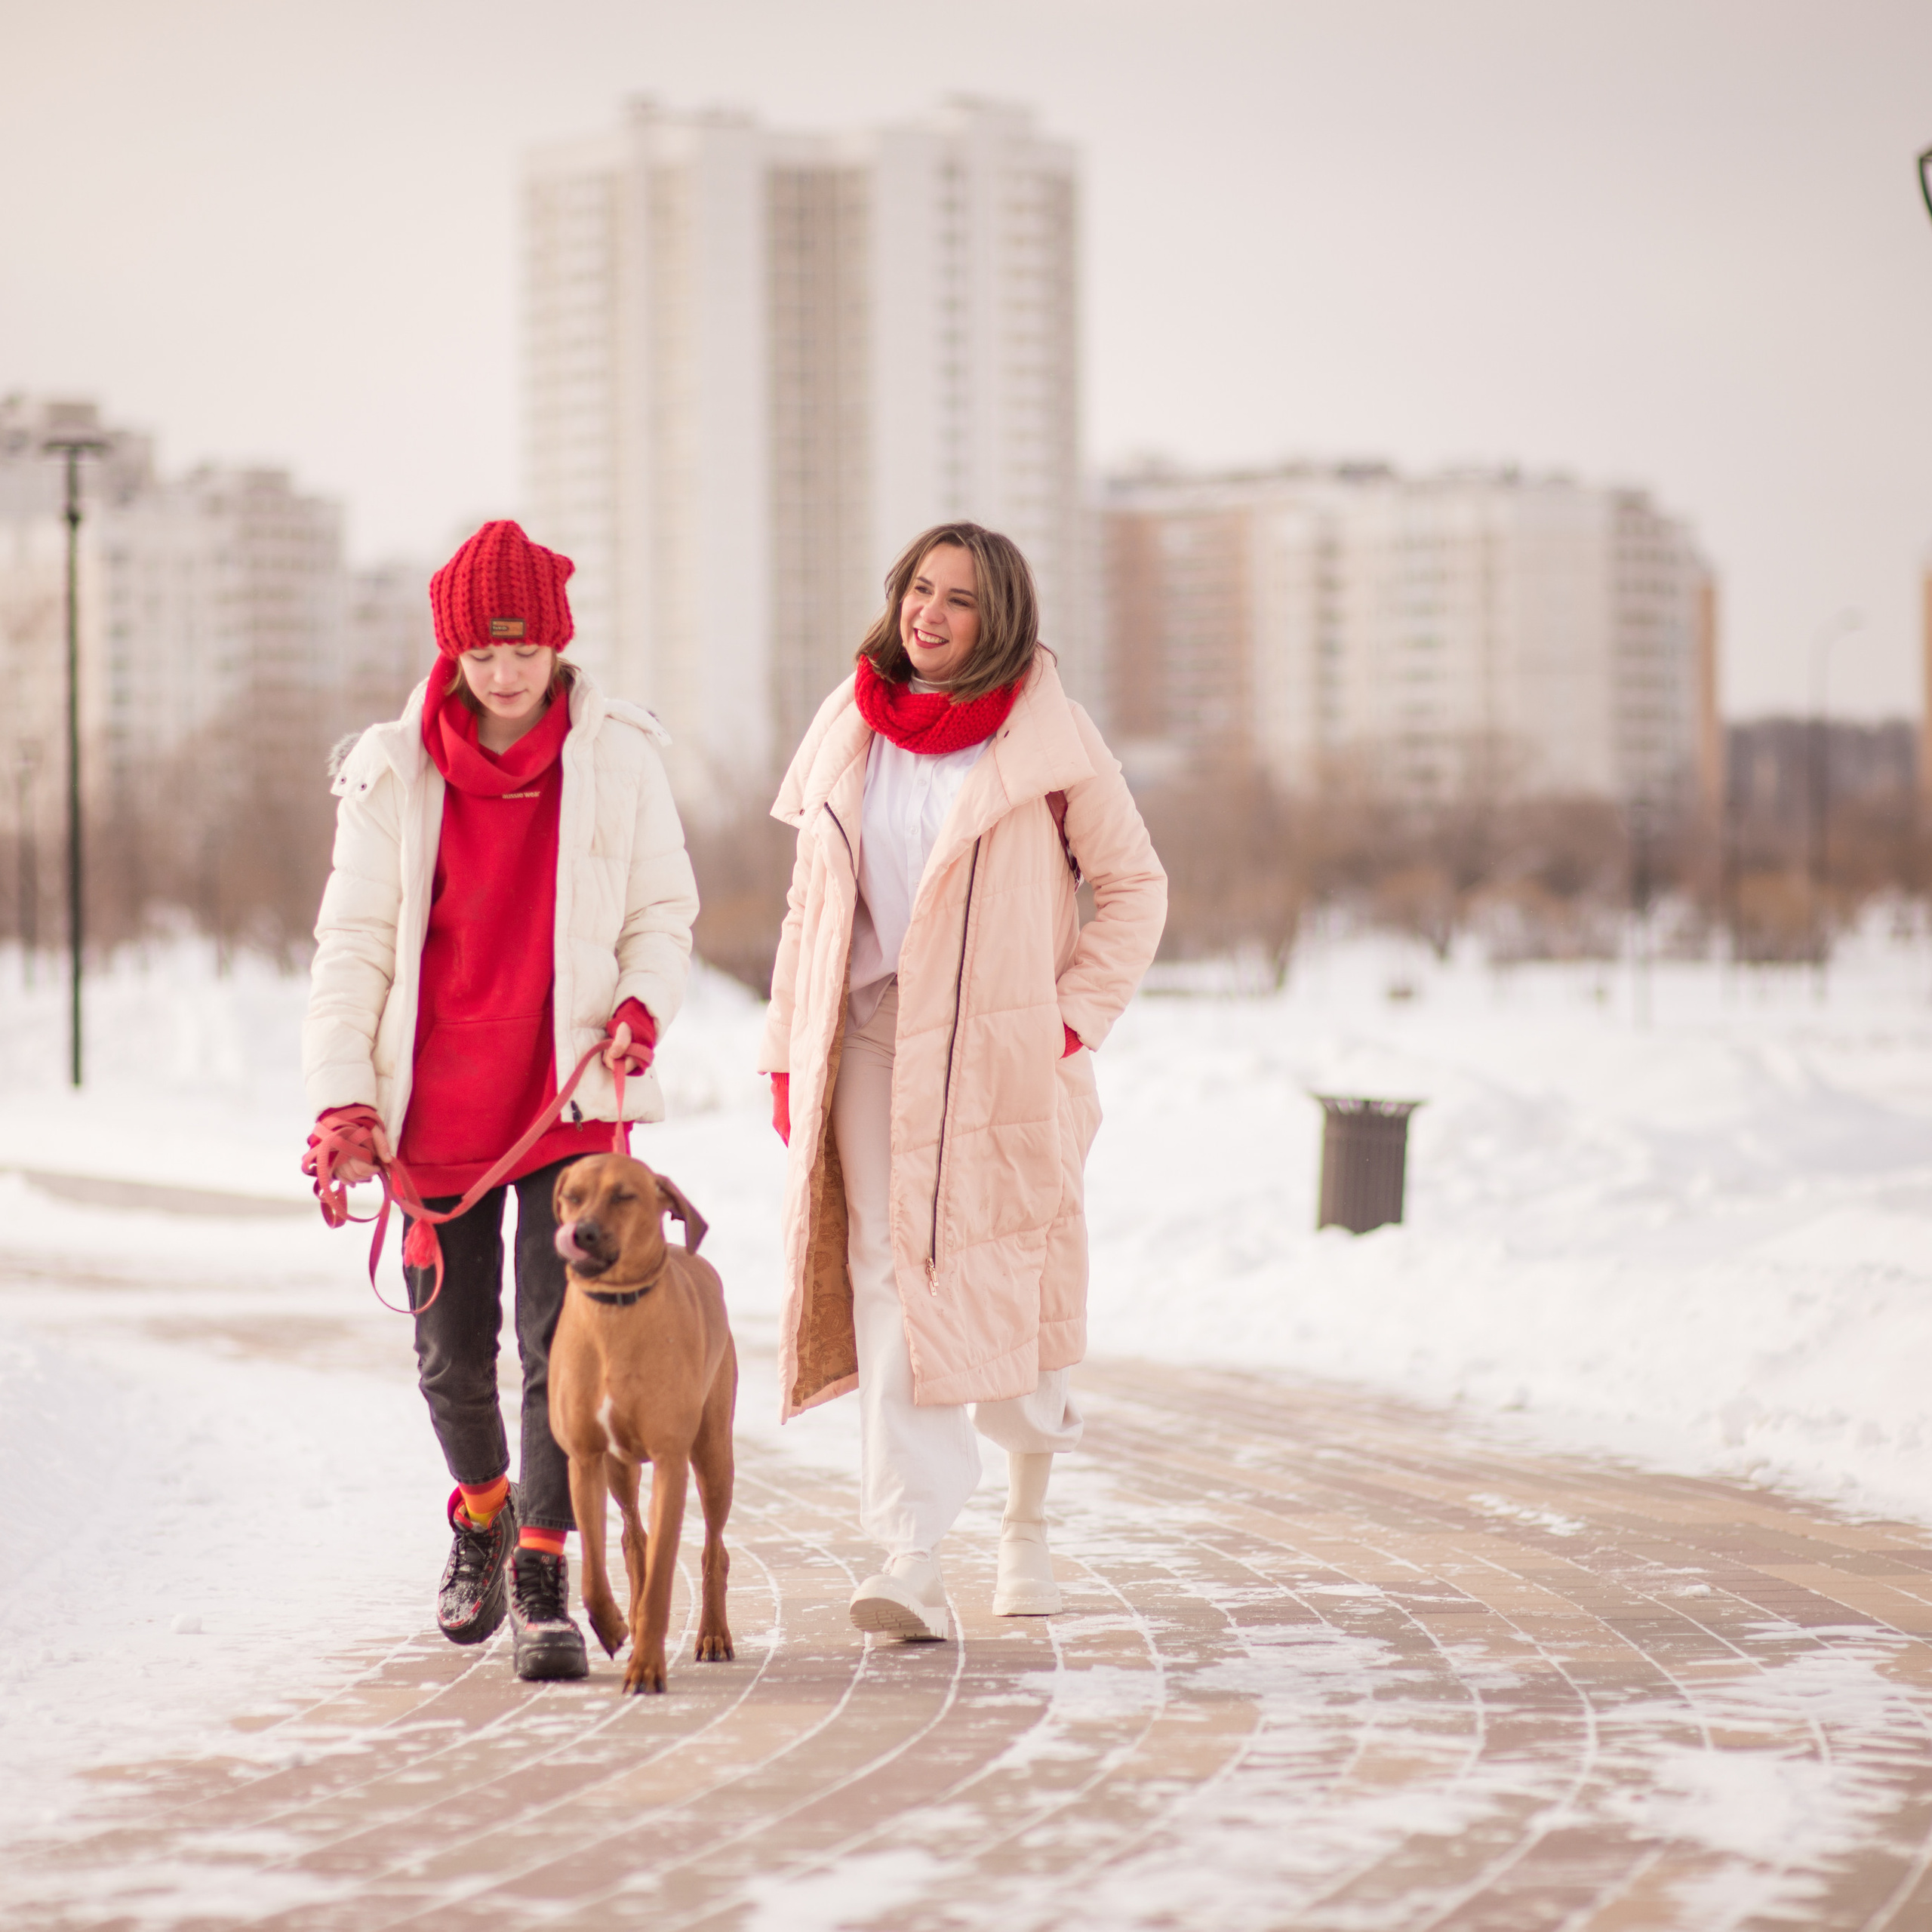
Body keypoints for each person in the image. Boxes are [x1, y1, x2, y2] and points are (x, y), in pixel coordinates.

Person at [303, 520, 698, 1681]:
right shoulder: (392, 769)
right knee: (446, 1355)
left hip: (567, 1097)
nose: (507, 672)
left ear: (558, 644)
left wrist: (638, 1006)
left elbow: (660, 914)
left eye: (524, 648)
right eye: (484, 651)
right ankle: (481, 1508)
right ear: (455, 652)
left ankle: (540, 1559)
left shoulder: (619, 756)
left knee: (553, 1343)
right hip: (435, 1113)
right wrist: (343, 1105)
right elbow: (352, 946)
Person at [759, 522, 1166, 1640]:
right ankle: (912, 1553)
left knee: (1011, 1273)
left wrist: (1067, 1026)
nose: (928, 616)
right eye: (918, 592)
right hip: (871, 1041)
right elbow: (810, 910)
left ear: (1003, 623)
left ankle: (1026, 1518)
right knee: (897, 1277)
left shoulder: (1051, 737)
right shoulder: (851, 725)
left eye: (960, 602)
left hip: (1005, 1052)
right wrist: (788, 1050)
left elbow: (1134, 890)